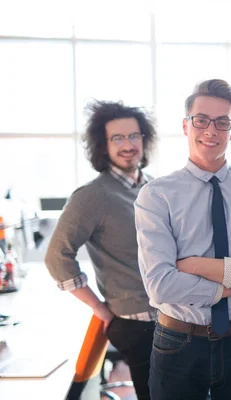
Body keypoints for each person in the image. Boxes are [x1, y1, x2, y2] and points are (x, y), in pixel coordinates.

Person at [134, 78, 231, 400]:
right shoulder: (156, 195)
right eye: (201, 120)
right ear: (186, 125)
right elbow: (160, 285)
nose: (210, 131)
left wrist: (195, 266)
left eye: (222, 122)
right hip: (178, 343)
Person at [45, 100, 158, 400]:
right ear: (102, 145)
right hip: (135, 324)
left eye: (134, 136)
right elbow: (57, 257)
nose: (127, 144)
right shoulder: (92, 196)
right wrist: (97, 306)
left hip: (173, 318)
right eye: (117, 138)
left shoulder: (156, 188)